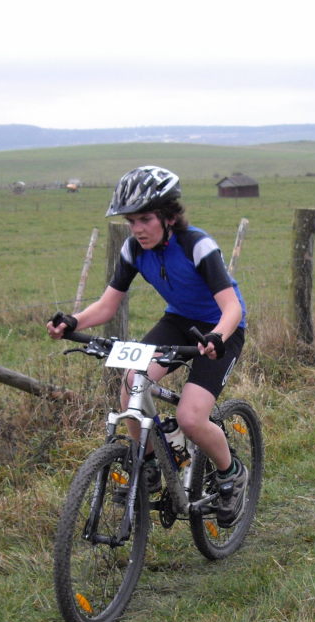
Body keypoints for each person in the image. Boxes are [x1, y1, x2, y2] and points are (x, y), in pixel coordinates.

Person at [47, 165, 249, 525]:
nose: (137, 229)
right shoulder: (133, 250)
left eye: (145, 219)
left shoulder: (197, 245)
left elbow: (231, 306)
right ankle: (151, 464)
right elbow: (107, 305)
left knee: (190, 418)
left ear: (169, 217)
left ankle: (230, 474)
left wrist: (217, 337)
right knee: (132, 383)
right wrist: (74, 322)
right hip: (179, 322)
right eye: (131, 221)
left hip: (222, 328)